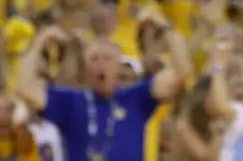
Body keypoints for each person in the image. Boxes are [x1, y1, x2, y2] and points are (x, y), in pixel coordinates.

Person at [14, 14, 191, 161]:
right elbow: (25, 88)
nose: (101, 65)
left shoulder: (136, 97)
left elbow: (182, 74)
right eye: (94, 59)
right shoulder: (72, 101)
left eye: (107, 59)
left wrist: (165, 27)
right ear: (86, 68)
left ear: (118, 67)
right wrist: (40, 41)